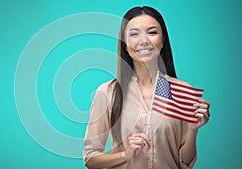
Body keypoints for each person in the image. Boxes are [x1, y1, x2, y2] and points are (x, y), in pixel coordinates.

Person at [83, 6, 211, 169]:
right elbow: (90, 158)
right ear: (125, 44)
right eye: (134, 34)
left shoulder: (180, 91)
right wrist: (125, 155)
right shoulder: (108, 92)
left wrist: (193, 130)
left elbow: (184, 162)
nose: (144, 41)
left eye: (152, 32)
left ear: (163, 41)